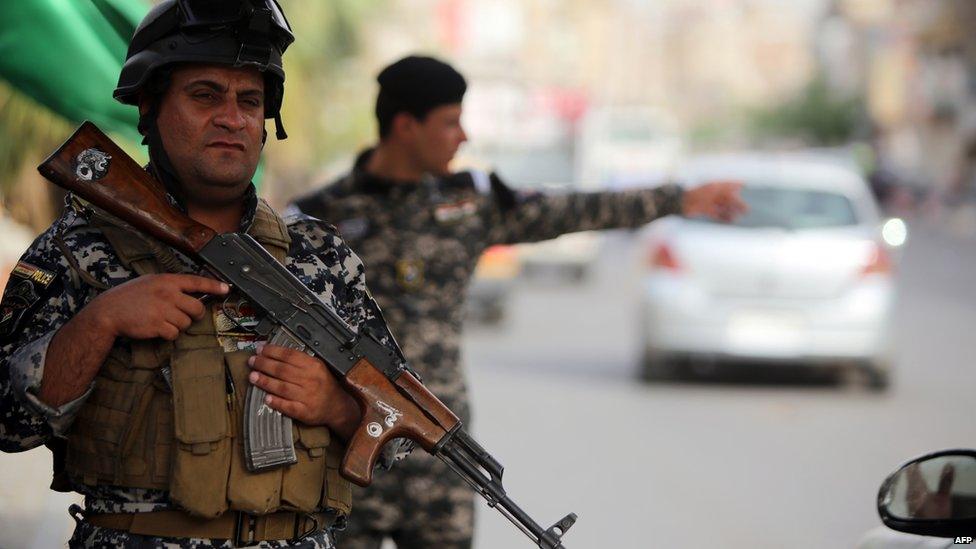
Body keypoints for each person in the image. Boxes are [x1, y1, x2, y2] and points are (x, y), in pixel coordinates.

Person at [289, 54, 747, 549]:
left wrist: (678, 200)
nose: (463, 136)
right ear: (405, 126)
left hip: (442, 456)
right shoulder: (319, 219)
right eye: (450, 122)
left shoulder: (469, 204)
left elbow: (572, 210)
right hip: (347, 445)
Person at [0, 1, 404, 547]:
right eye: (204, 95)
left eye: (250, 101)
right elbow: (8, 423)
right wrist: (102, 321)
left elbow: (402, 431)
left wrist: (335, 405)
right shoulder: (78, 248)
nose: (232, 118)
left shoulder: (321, 258)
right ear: (149, 107)